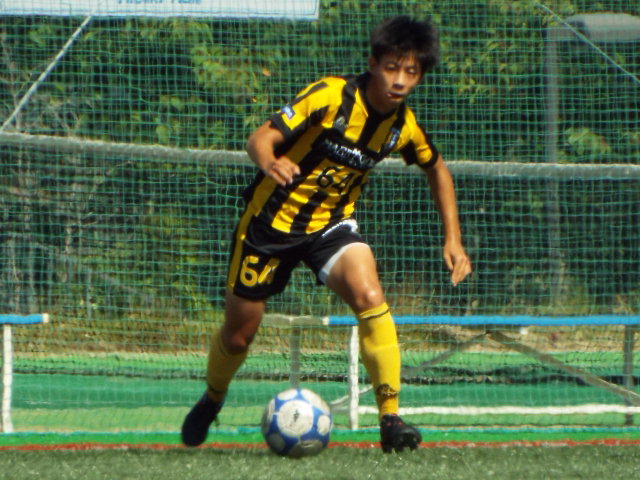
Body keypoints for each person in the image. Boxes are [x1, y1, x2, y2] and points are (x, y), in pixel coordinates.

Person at [181, 15, 472, 453]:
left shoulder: (402, 127)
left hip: (331, 226)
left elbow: (438, 169)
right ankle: (213, 397)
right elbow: (260, 138)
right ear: (373, 64)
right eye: (392, 68)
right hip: (269, 226)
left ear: (420, 77)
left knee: (370, 296)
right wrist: (270, 161)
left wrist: (453, 238)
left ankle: (390, 419)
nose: (399, 81)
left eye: (411, 72)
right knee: (239, 334)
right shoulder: (330, 96)